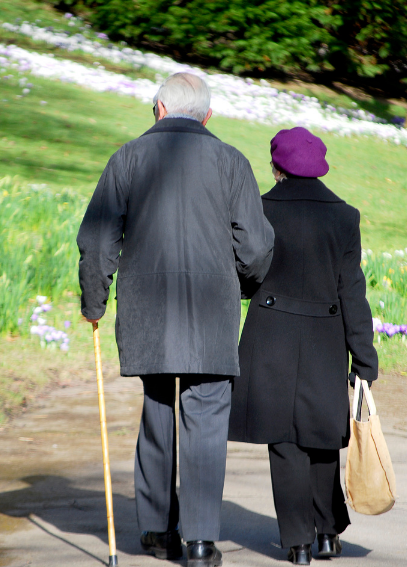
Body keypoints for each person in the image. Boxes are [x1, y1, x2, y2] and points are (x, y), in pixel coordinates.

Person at [77, 72, 274, 567]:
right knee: (206, 417)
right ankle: (201, 540)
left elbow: (98, 240)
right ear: (206, 116)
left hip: (148, 307)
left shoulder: (127, 158)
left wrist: (94, 302)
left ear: (159, 109)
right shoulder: (231, 161)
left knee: (159, 406)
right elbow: (256, 245)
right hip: (211, 309)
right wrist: (244, 288)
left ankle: (156, 527)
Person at [228, 127, 378, 566]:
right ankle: (328, 533)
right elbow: (353, 292)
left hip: (269, 334)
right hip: (324, 340)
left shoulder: (259, 208)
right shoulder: (344, 216)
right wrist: (364, 359)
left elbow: (245, 273)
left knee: (284, 440)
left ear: (277, 167)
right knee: (320, 435)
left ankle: (297, 543)